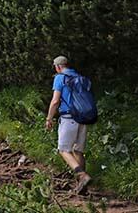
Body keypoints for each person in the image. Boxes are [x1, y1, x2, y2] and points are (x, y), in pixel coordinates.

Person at [46, 56, 92, 194]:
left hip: (68, 118)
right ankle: (82, 187)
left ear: (58, 67)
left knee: (63, 150)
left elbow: (55, 101)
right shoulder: (79, 77)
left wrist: (49, 118)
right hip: (83, 118)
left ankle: (82, 176)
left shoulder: (60, 78)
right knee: (78, 151)